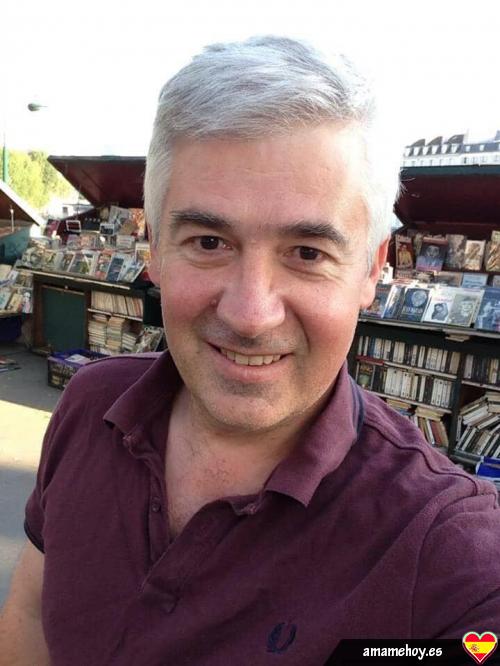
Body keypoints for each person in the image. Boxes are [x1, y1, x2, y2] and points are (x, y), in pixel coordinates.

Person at [1, 36, 500, 665]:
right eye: (209, 243)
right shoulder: (89, 404)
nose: (250, 315)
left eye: (308, 253)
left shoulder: (446, 552)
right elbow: (32, 613)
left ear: (372, 269)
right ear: (155, 251)